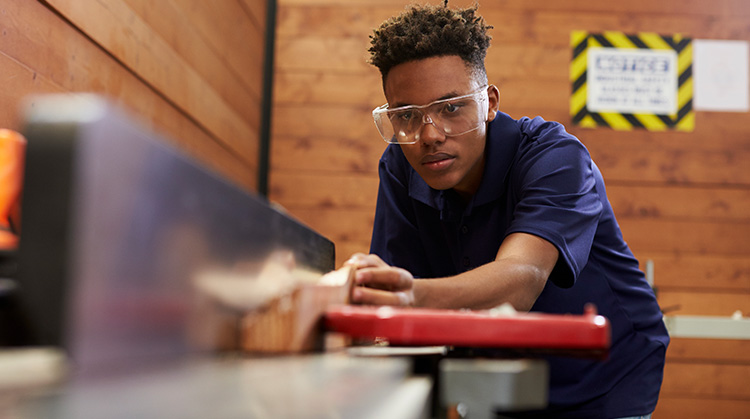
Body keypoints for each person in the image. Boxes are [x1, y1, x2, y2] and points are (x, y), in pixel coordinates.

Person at [344, 2, 669, 418]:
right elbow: (401, 289)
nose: (429, 135)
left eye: (451, 107)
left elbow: (521, 279)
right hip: (497, 370)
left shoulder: (556, 157)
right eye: (407, 116)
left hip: (606, 376)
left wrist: (410, 295)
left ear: (489, 102)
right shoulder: (399, 167)